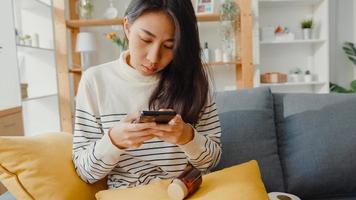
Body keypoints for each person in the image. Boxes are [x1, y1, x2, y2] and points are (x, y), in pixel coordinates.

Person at [72, 0, 221, 189]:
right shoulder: (95, 81)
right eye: (146, 39)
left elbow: (211, 162)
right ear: (127, 27)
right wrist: (114, 141)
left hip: (183, 190)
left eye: (169, 46)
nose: (153, 58)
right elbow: (85, 173)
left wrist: (186, 137)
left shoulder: (193, 80)